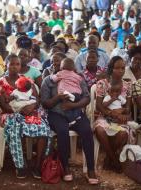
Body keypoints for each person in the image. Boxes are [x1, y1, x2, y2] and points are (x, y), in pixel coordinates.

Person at [41, 56, 99, 184]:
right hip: (56, 114)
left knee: (87, 131)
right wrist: (58, 97)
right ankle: (65, 167)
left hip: (76, 113)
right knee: (62, 131)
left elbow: (86, 98)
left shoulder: (78, 78)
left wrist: (73, 105)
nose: (56, 64)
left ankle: (90, 169)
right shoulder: (48, 81)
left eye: (59, 61)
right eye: (54, 62)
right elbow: (45, 104)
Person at [0, 54, 50, 179]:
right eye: (12, 64)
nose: (15, 67)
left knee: (44, 129)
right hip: (10, 113)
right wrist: (19, 110)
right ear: (6, 65)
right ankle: (20, 165)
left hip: (29, 112)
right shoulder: (1, 82)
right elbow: (3, 105)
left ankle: (37, 165)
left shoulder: (27, 80)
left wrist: (32, 107)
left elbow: (36, 99)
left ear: (20, 66)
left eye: (17, 64)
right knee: (14, 129)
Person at [94, 56, 131, 173]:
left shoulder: (127, 85)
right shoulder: (102, 84)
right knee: (100, 130)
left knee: (123, 134)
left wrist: (123, 113)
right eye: (117, 68)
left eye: (123, 68)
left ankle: (108, 159)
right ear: (111, 69)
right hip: (105, 117)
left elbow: (128, 107)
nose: (121, 70)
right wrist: (111, 113)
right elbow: (98, 106)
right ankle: (114, 160)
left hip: (120, 119)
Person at [50, 58, 83, 125]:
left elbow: (54, 79)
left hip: (67, 94)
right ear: (73, 67)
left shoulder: (61, 73)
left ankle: (71, 120)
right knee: (76, 105)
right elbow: (80, 80)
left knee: (65, 106)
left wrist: (51, 75)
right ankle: (77, 116)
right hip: (77, 94)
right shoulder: (76, 75)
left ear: (62, 67)